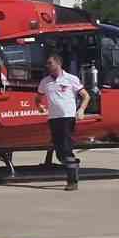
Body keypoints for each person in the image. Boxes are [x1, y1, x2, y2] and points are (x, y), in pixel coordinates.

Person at [36, 53, 90, 191]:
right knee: (59, 151)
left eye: (50, 63)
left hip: (67, 118)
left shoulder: (71, 79)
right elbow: (38, 98)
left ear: (58, 64)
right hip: (53, 119)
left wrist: (81, 110)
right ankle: (73, 165)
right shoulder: (45, 82)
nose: (47, 66)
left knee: (66, 149)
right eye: (47, 63)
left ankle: (72, 181)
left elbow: (86, 96)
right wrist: (39, 106)